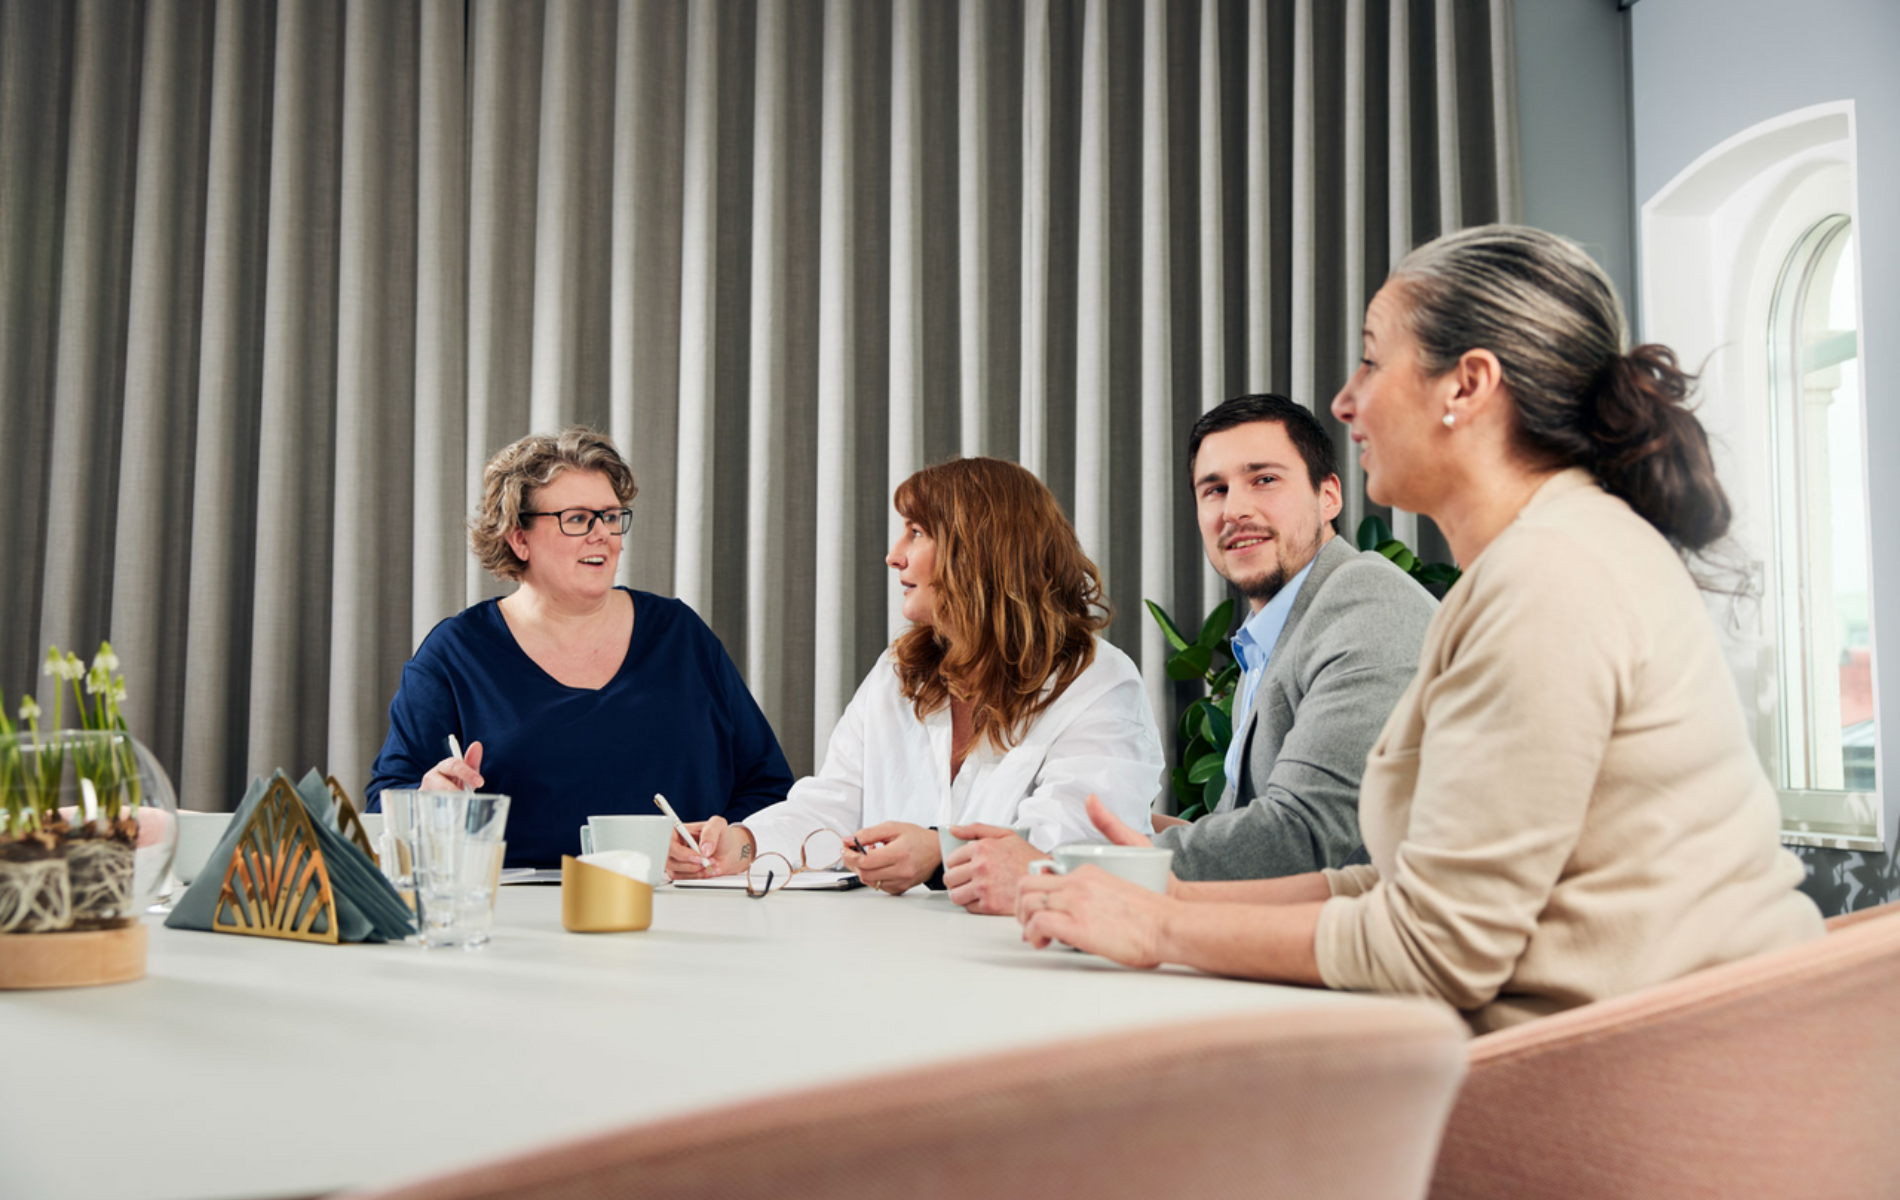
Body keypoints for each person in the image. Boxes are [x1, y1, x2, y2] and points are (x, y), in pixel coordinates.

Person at [1017, 225, 1824, 1032]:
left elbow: (1437, 945)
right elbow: (1405, 884)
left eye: (1372, 360)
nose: (1345, 400)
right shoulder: (1527, 568)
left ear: (1466, 386)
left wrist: (1159, 925)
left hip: (1646, 1067)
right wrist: (1167, 892)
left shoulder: (1551, 581)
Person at [949, 395, 1434, 914]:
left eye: (1264, 479)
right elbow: (1245, 832)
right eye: (1215, 489)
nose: (1235, 510)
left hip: (1379, 964)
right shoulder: (1274, 633)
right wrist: (1117, 824)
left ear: (1329, 495)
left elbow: (1302, 837)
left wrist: (1057, 868)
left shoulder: (1362, 601)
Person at [667, 457, 1166, 895]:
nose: (894, 555)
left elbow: (1080, 844)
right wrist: (741, 844)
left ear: (979, 551)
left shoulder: (1097, 680)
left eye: (917, 532)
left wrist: (939, 853)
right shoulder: (898, 673)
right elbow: (833, 806)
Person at [365, 427, 794, 868]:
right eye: (576, 519)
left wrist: (735, 845)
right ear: (519, 538)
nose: (602, 535)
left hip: (685, 911)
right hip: (521, 923)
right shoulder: (455, 654)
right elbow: (384, 807)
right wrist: (428, 801)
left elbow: (769, 789)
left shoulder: (681, 635)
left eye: (610, 516)